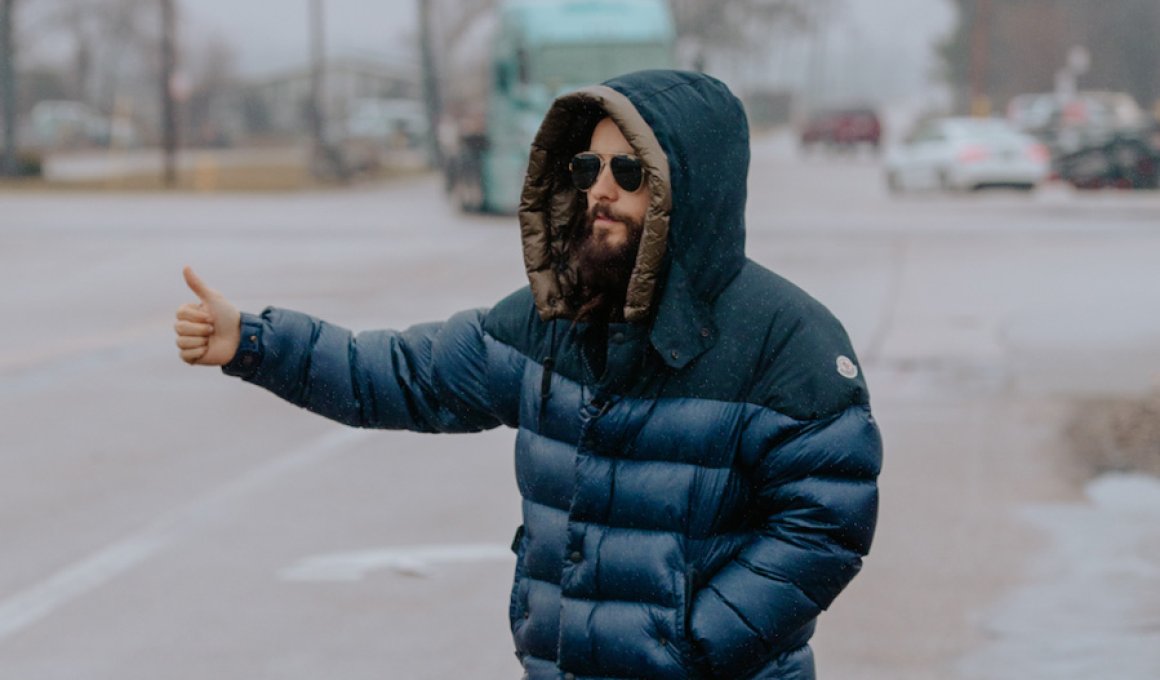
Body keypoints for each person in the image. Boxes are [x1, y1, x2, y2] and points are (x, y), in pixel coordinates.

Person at [175, 70, 882, 680]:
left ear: (688, 187)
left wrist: (693, 644)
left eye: (628, 172)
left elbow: (825, 524)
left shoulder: (787, 340)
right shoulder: (556, 316)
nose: (600, 190)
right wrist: (255, 343)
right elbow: (401, 374)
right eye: (587, 169)